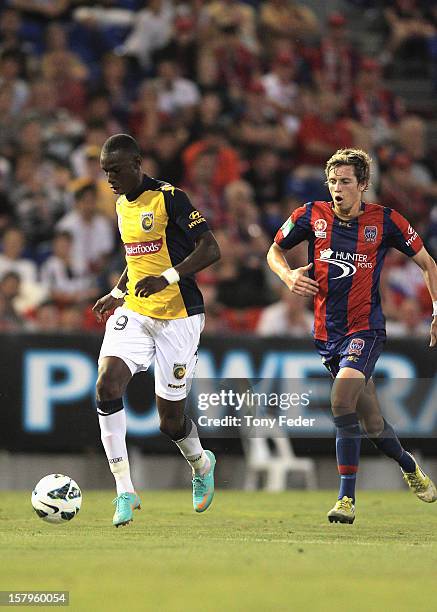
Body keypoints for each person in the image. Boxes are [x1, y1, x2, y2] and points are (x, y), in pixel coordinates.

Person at [267, 148, 437, 524]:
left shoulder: (386, 221)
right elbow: (274, 250)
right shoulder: (311, 215)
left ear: (363, 185)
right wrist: (288, 275)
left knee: (341, 399)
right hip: (327, 335)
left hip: (366, 329)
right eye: (332, 181)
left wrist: (436, 312)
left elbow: (427, 263)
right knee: (373, 423)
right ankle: (409, 465)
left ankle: (346, 499)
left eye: (345, 181)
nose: (337, 189)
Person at [92, 134, 220, 527]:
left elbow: (211, 248)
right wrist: (117, 292)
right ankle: (124, 491)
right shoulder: (119, 205)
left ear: (137, 163)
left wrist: (166, 277)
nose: (110, 179)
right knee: (106, 386)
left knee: (170, 421)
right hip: (136, 309)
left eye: (116, 170)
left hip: (179, 315)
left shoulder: (170, 197)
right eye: (105, 172)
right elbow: (136, 258)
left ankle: (200, 463)